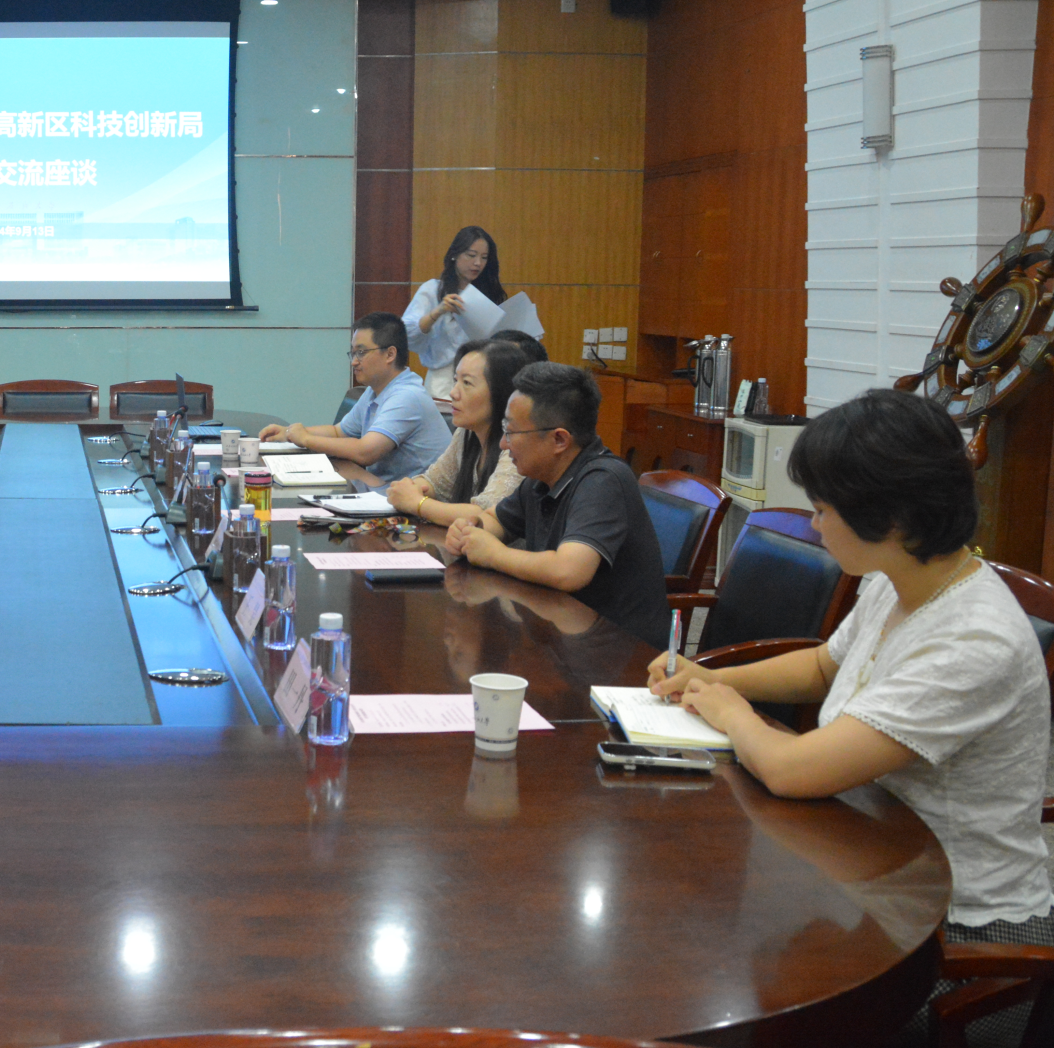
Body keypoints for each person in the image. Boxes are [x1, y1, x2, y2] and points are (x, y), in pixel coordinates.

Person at [649, 388, 1050, 956]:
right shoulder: (902, 578)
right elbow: (822, 666)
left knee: (716, 950)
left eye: (822, 510)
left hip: (958, 926)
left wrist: (732, 713)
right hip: (871, 865)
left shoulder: (974, 639)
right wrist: (713, 679)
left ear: (891, 519)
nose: (815, 525)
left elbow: (790, 771)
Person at [445, 362, 668, 648]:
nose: (503, 444)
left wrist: (493, 554)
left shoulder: (604, 480)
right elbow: (497, 520)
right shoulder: (542, 476)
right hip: (564, 637)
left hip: (621, 654)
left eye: (511, 432)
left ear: (559, 439)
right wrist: (470, 530)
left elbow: (569, 571)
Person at [258, 313, 452, 485]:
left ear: (390, 354)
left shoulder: (407, 396)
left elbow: (365, 452)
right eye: (353, 353)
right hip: (388, 491)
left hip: (419, 501)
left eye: (361, 352)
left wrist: (306, 439)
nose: (354, 362)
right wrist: (288, 433)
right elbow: (339, 432)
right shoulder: (375, 390)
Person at [386, 339, 534, 527]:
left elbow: (487, 516)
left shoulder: (517, 444)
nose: (453, 393)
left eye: (467, 383)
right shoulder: (467, 431)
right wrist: (408, 491)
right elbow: (436, 483)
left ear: (501, 391)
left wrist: (417, 503)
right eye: (456, 381)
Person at [403, 226, 506, 399]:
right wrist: (437, 312)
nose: (478, 263)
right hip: (442, 383)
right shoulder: (433, 289)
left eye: (484, 258)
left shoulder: (488, 294)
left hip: (482, 381)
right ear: (454, 255)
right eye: (471, 255)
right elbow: (407, 334)